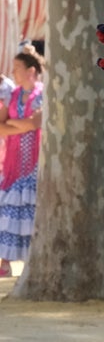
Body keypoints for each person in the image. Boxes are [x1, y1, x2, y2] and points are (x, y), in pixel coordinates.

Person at [0, 45, 45, 277]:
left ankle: (30, 263)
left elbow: (35, 124)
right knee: (6, 211)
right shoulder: (13, 95)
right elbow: (1, 127)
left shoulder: (42, 93)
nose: (13, 72)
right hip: (12, 165)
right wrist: (22, 123)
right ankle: (4, 262)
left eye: (17, 68)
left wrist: (16, 124)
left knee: (30, 213)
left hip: (34, 165)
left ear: (31, 71)